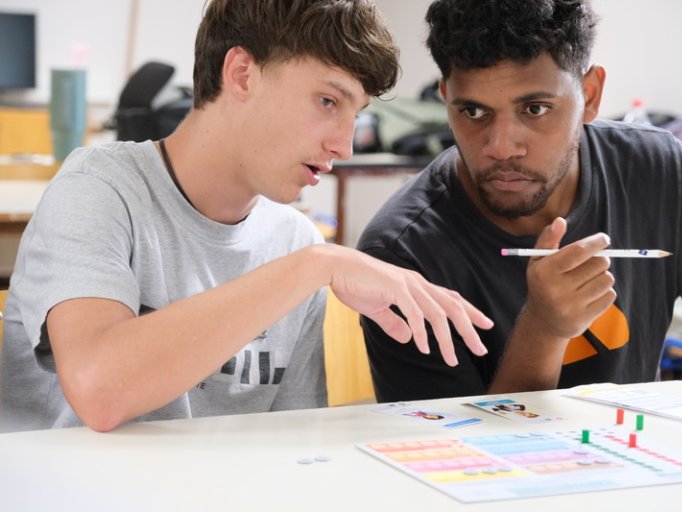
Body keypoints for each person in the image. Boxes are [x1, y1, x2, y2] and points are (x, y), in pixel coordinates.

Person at [0, 0, 494, 433]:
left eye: (356, 114)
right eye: (327, 101)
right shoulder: (99, 188)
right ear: (241, 73)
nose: (344, 146)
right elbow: (100, 391)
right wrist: (316, 266)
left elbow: (291, 441)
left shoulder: (295, 241)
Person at [357, 0, 682, 402]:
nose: (501, 147)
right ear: (446, 98)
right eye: (473, 112)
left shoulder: (655, 169)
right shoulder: (401, 254)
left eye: (535, 109)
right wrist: (543, 330)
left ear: (590, 95)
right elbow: (451, 443)